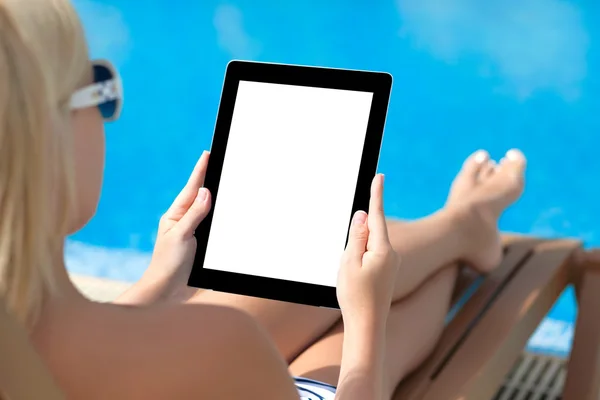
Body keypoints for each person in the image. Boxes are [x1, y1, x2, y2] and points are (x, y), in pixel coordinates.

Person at [0, 0, 527, 399]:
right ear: (44, 136)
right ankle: (465, 230)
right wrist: (365, 323)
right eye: (97, 86)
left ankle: (462, 228)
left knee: (310, 269)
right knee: (369, 310)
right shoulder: (220, 344)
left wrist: (157, 283)